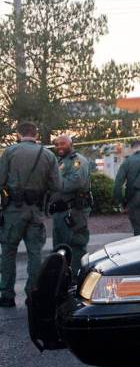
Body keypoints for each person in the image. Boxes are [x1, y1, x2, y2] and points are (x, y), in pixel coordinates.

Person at [0, 121, 61, 307]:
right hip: (36, 212)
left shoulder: (10, 152)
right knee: (35, 253)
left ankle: (7, 295)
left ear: (19, 134)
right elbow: (57, 186)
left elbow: (0, 180)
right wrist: (46, 202)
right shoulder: (48, 155)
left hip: (13, 211)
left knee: (8, 252)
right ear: (36, 134)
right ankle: (33, 294)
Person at [50, 135, 91, 279]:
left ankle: (78, 278)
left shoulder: (77, 160)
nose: (59, 146)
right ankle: (63, 279)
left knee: (76, 245)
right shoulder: (60, 161)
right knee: (60, 247)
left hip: (74, 211)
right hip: (61, 212)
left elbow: (76, 181)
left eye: (63, 143)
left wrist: (54, 183)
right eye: (57, 144)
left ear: (70, 144)